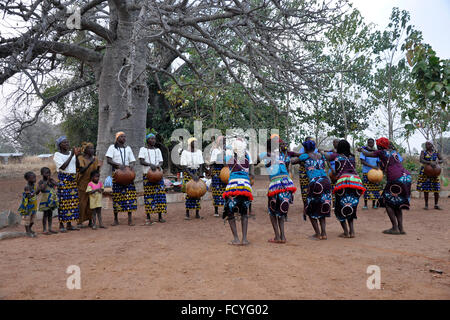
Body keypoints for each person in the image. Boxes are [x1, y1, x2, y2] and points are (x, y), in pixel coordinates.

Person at [359, 137, 411, 235]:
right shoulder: (393, 152)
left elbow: (367, 154)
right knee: (397, 202)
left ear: (379, 145)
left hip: (395, 178)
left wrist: (361, 149)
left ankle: (395, 228)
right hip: (406, 177)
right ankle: (401, 228)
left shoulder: (380, 153)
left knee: (387, 202)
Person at [322, 140, 366, 238]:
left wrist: (321, 151)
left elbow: (327, 157)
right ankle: (352, 232)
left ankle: (346, 232)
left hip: (343, 182)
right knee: (351, 205)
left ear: (339, 148)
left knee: (339, 206)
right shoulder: (353, 157)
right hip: (356, 182)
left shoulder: (336, 156)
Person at [259, 136, 297, 243]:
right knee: (281, 211)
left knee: (272, 212)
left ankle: (277, 237)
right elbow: (286, 166)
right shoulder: (282, 156)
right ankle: (283, 236)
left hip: (275, 184)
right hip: (287, 183)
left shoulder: (264, 155)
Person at [293, 140, 332, 240]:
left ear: (305, 149)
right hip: (326, 181)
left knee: (309, 209)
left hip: (315, 183)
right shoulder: (321, 155)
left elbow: (292, 161)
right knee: (322, 206)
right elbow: (330, 157)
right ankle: (324, 233)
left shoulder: (304, 156)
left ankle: (317, 234)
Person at [222, 138, 254, 245]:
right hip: (245, 186)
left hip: (233, 187)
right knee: (244, 213)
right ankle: (244, 239)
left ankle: (236, 238)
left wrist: (224, 147)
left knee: (230, 212)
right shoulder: (247, 157)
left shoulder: (230, 158)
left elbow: (223, 162)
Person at [105, 131, 138, 226]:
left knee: (130, 196)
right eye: (122, 137)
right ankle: (115, 219)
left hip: (127, 174)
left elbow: (132, 161)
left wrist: (130, 167)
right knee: (117, 196)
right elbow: (108, 160)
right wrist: (118, 165)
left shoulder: (128, 148)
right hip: (117, 174)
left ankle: (130, 219)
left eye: (125, 137)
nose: (124, 138)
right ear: (117, 138)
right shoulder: (112, 148)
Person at [53, 136, 81, 232]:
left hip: (72, 179)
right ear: (60, 145)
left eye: (67, 142)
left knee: (72, 202)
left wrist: (76, 156)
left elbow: (77, 166)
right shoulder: (57, 155)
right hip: (64, 179)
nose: (67, 144)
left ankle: (69, 224)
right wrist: (71, 155)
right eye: (64, 143)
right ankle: (61, 225)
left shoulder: (72, 154)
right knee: (63, 202)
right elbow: (63, 167)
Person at [139, 132, 167, 225]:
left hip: (158, 175)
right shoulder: (143, 149)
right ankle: (148, 217)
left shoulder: (158, 150)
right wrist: (150, 165)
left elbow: (161, 161)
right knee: (149, 196)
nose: (153, 140)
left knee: (159, 195)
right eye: (151, 139)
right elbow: (141, 161)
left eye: (154, 139)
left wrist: (158, 165)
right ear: (147, 140)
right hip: (148, 175)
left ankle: (160, 216)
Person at [77, 142, 101, 228]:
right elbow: (81, 170)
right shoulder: (81, 158)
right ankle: (80, 222)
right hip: (83, 183)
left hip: (92, 184)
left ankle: (91, 221)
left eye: (93, 148)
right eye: (90, 148)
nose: (92, 150)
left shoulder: (95, 159)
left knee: (92, 202)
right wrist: (90, 164)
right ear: (85, 150)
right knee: (82, 203)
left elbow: (97, 171)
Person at [180, 137, 204, 220]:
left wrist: (200, 173)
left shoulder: (199, 152)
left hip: (196, 173)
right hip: (188, 173)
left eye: (196, 142)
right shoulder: (185, 153)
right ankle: (187, 213)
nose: (196, 143)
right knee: (189, 193)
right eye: (194, 142)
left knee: (198, 192)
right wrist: (192, 175)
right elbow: (184, 166)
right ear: (190, 144)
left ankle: (197, 213)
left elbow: (201, 164)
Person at [417, 141, 444, 210]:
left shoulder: (436, 152)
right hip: (426, 172)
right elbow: (421, 160)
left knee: (436, 188)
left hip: (435, 171)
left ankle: (436, 204)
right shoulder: (423, 152)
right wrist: (429, 162)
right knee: (426, 188)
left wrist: (437, 162)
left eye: (428, 144)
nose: (427, 145)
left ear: (432, 145)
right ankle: (426, 205)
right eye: (426, 144)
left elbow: (441, 160)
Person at [360, 138, 382, 209]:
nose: (370, 144)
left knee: (375, 189)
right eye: (369, 143)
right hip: (366, 172)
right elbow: (362, 161)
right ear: (367, 143)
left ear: (373, 144)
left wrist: (378, 168)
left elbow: (378, 162)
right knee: (366, 188)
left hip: (375, 173)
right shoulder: (364, 151)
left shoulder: (376, 152)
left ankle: (374, 204)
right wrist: (372, 166)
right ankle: (365, 204)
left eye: (372, 143)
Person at [208, 136, 227, 217]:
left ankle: (225, 209)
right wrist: (211, 171)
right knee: (216, 190)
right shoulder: (215, 150)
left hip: (224, 172)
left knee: (224, 190)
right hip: (216, 171)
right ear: (219, 142)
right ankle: (216, 210)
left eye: (225, 141)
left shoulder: (227, 151)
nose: (224, 142)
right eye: (223, 141)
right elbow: (212, 162)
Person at [18, 172, 39, 238]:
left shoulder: (34, 185)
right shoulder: (27, 187)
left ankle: (29, 229)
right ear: (27, 179)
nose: (34, 179)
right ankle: (27, 232)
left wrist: (39, 189)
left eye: (35, 177)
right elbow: (29, 196)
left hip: (33, 205)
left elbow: (36, 193)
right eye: (32, 178)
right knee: (27, 219)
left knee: (32, 220)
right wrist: (36, 191)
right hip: (27, 206)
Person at [37, 167, 58, 235]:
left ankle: (50, 228)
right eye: (46, 173)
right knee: (45, 215)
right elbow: (41, 189)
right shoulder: (41, 182)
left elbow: (56, 185)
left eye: (49, 173)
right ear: (42, 174)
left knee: (50, 214)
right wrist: (46, 182)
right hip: (45, 200)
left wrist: (52, 181)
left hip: (51, 199)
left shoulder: (51, 180)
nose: (48, 174)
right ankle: (44, 229)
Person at [298, 137, 318, 207]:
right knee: (304, 188)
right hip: (303, 172)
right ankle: (306, 205)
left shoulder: (316, 150)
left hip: (314, 171)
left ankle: (314, 204)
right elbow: (299, 159)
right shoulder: (302, 150)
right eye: (310, 141)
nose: (312, 143)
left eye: (313, 141)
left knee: (314, 187)